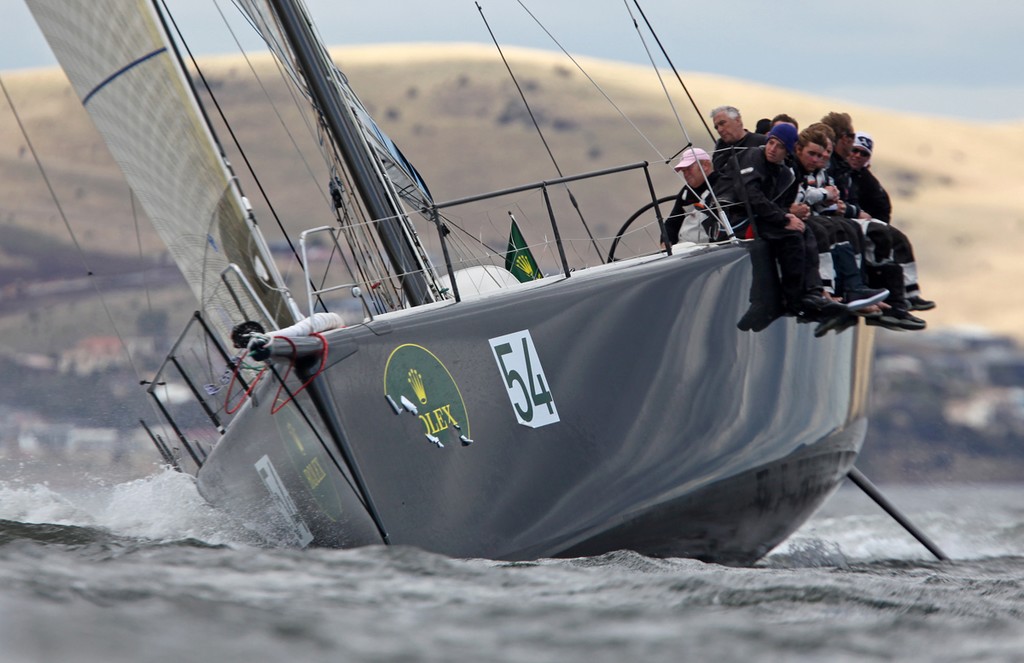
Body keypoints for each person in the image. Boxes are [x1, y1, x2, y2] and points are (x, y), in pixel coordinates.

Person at [713, 122, 846, 322]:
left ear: (789, 150)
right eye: (771, 143)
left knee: (805, 230)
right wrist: (784, 218)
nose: (773, 149)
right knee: (791, 235)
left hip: (758, 217)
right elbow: (750, 195)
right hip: (733, 220)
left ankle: (813, 292)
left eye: (780, 146)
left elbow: (780, 204)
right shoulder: (752, 156)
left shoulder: (786, 174)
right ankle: (792, 300)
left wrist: (789, 216)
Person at [848, 131, 936, 311]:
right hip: (848, 222)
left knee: (897, 239)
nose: (857, 156)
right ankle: (891, 300)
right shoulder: (838, 171)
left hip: (865, 223)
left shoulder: (868, 182)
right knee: (881, 239)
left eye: (863, 153)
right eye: (854, 150)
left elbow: (883, 209)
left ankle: (909, 294)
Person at [662, 147, 724, 245]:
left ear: (706, 165)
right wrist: (666, 243)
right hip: (685, 250)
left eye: (689, 169)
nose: (686, 174)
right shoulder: (686, 192)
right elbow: (672, 222)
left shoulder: (723, 185)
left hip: (713, 249)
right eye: (683, 171)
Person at [710, 105, 768, 171]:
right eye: (716, 127)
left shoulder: (762, 142)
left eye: (722, 123)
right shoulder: (719, 151)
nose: (719, 130)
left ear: (737, 120)